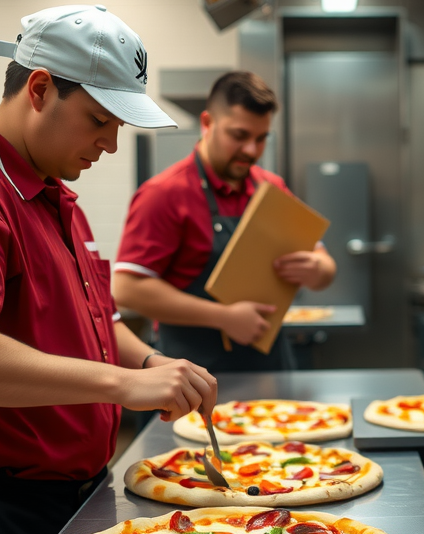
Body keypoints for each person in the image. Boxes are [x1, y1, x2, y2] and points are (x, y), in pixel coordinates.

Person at [0, 4, 218, 534]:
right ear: (40, 89)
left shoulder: (54, 197)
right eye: (99, 120)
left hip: (66, 500)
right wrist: (124, 384)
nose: (111, 144)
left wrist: (151, 362)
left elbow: (98, 322)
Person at [112, 71, 336, 372]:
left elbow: (325, 266)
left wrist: (318, 269)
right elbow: (128, 289)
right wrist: (224, 317)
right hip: (193, 371)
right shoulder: (164, 194)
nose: (251, 150)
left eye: (261, 138)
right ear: (207, 123)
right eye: (239, 136)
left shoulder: (270, 188)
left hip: (270, 365)